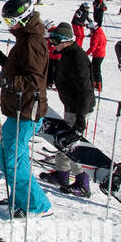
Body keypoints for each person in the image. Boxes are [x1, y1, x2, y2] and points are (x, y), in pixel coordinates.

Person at [0, 0, 53, 216]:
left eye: (10, 20)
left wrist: (5, 82)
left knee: (12, 158)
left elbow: (35, 81)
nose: (8, 24)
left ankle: (37, 205)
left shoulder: (33, 41)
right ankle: (20, 197)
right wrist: (2, 59)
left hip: (27, 109)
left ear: (23, 18)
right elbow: (20, 68)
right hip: (17, 108)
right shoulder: (25, 39)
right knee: (10, 156)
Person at [44, 22, 96, 197]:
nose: (53, 44)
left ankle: (83, 183)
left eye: (56, 41)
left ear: (66, 40)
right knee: (62, 140)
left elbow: (86, 89)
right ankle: (61, 174)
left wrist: (80, 118)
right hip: (71, 105)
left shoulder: (78, 58)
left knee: (71, 144)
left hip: (79, 107)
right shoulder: (67, 53)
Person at [87, 22, 108, 92]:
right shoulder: (100, 32)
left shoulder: (96, 35)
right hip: (100, 53)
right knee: (95, 69)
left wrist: (87, 53)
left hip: (98, 54)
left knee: (96, 70)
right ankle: (96, 84)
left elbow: (93, 46)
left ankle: (98, 86)